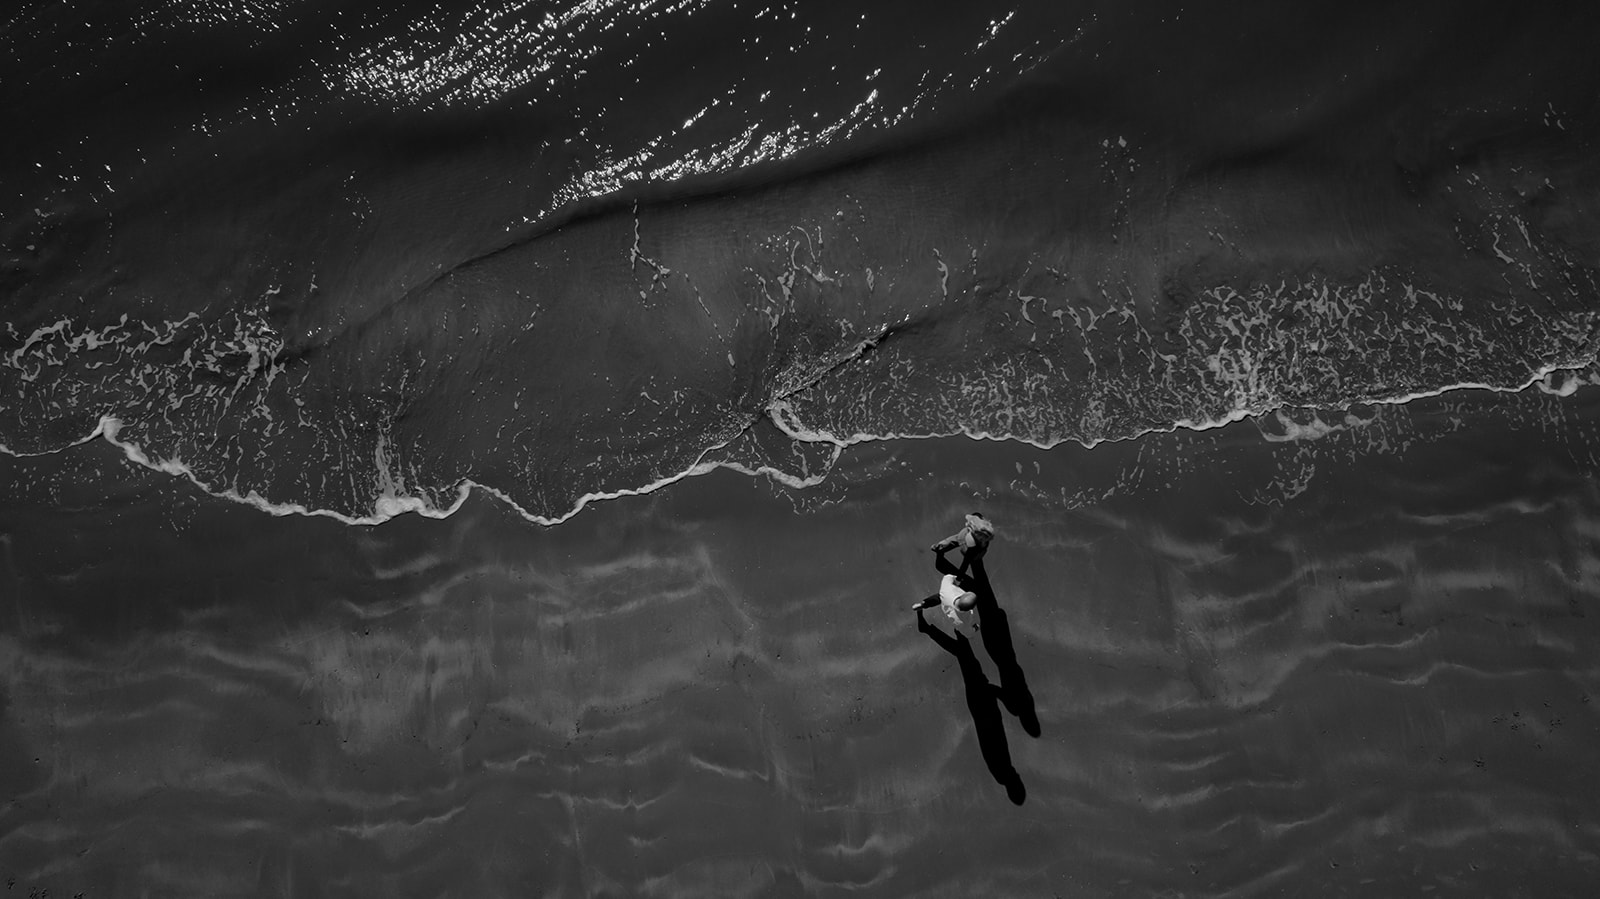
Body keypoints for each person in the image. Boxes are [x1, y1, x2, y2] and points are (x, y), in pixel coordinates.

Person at [912, 568, 981, 638]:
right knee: (958, 629)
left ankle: (923, 604)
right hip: (949, 611)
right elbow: (967, 632)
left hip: (946, 599)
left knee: (941, 596)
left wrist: (955, 580)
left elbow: (948, 577)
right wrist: (975, 628)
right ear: (971, 608)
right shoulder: (962, 621)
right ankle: (957, 632)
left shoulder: (947, 588)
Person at [930, 512, 995, 574]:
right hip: (968, 541)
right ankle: (939, 547)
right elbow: (966, 561)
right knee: (958, 540)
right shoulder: (968, 535)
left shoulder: (982, 536)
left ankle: (939, 547)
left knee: (975, 560)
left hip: (975, 548)